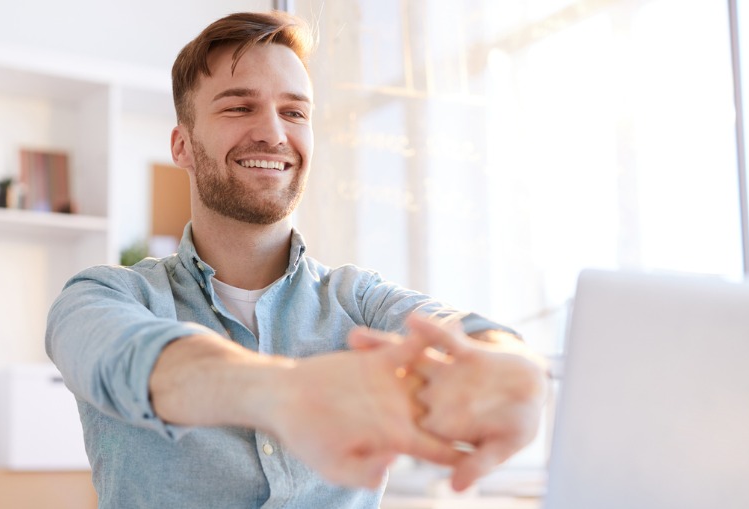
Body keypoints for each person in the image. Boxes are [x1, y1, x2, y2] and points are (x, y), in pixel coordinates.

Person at [45, 10, 547, 508]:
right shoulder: (103, 296)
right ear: (182, 146)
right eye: (239, 108)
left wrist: (510, 363)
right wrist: (282, 393)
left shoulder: (359, 299)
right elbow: (130, 359)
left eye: (294, 112)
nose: (274, 133)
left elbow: (468, 332)